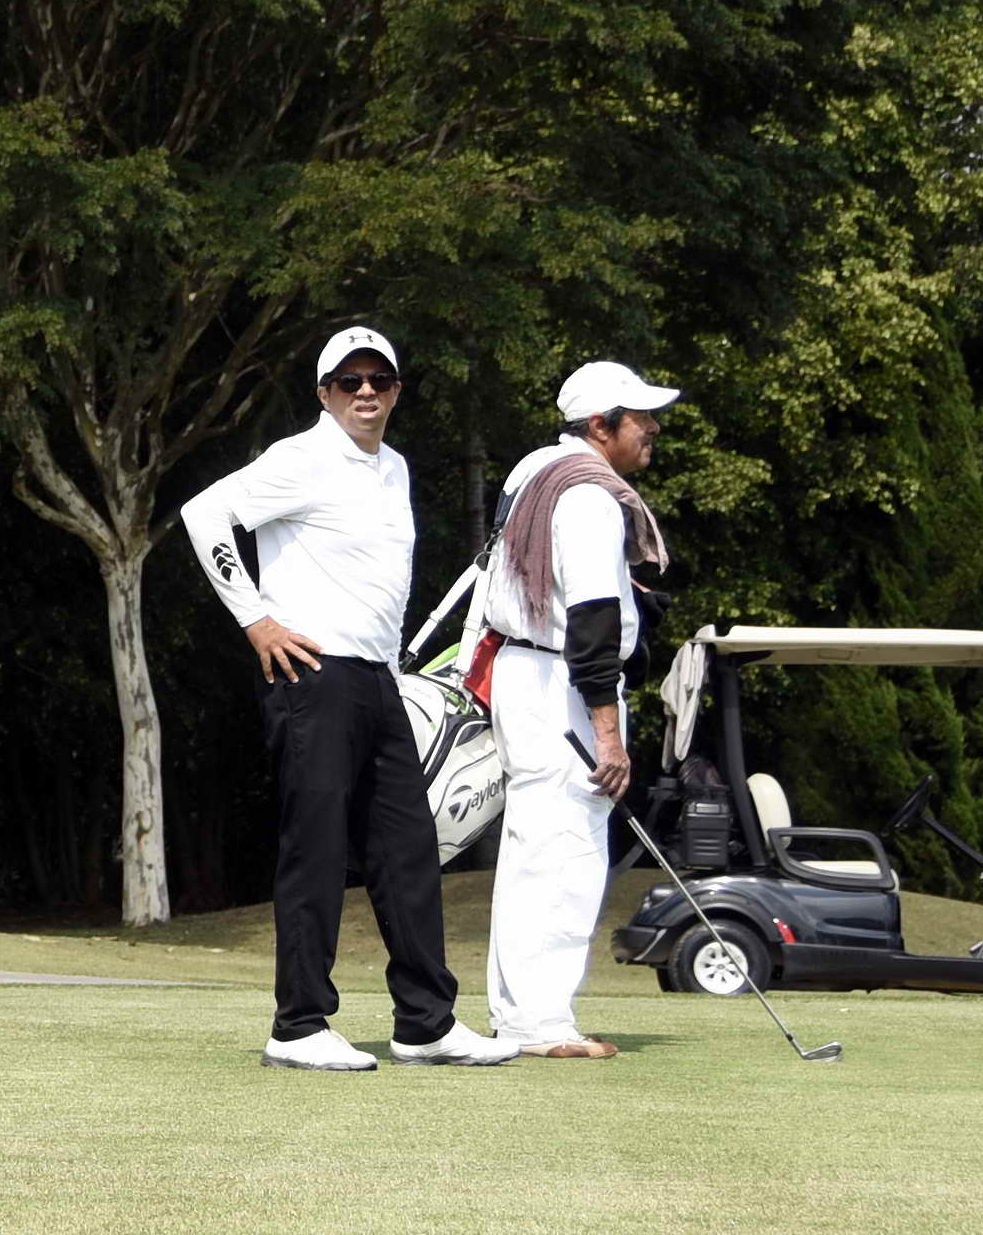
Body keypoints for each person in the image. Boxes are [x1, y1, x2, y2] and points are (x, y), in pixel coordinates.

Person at [182, 328, 515, 1071]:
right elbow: (205, 515)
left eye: (380, 380)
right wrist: (256, 620)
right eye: (349, 380)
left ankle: (425, 1023)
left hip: (377, 681)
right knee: (318, 848)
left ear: (396, 390)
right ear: (324, 392)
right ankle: (298, 1025)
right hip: (313, 676)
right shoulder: (302, 457)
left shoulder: (393, 467)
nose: (366, 392)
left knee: (408, 850)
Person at [479, 361, 680, 1058]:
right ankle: (542, 1024)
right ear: (600, 426)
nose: (652, 428)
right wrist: (609, 736)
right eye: (640, 417)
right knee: (567, 852)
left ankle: (519, 1016)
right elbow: (593, 619)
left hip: (525, 672)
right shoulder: (591, 496)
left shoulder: (533, 469)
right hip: (564, 684)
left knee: (533, 849)